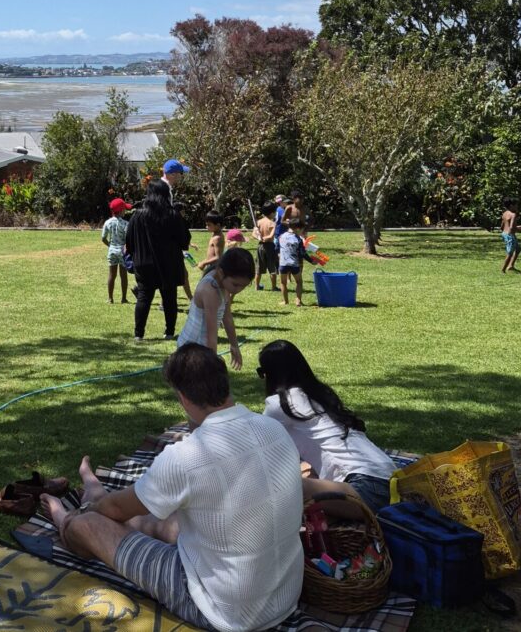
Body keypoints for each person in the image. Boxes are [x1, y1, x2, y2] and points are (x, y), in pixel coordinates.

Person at [42, 344, 303, 632]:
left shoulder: (187, 456)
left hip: (222, 610)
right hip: (284, 595)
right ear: (225, 383)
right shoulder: (274, 430)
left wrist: (94, 508)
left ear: (182, 397)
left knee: (89, 524)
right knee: (164, 518)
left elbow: (116, 509)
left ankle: (66, 519)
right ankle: (94, 493)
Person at [258, 340, 397, 513]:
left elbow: (255, 448)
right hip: (392, 480)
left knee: (281, 484)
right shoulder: (319, 393)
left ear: (270, 374)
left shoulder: (279, 404)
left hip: (365, 488)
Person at [125, 179, 190, 341]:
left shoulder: (137, 215)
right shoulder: (173, 214)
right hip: (169, 262)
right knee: (169, 297)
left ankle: (139, 334)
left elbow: (129, 241)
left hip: (143, 263)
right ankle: (169, 332)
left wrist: (136, 255)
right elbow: (184, 240)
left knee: (144, 297)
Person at [176, 248, 253, 370]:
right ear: (221, 273)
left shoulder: (222, 281)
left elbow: (227, 317)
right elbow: (211, 332)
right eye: (236, 284)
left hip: (202, 347)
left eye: (244, 286)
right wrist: (212, 362)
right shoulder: (210, 290)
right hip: (191, 349)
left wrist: (234, 345)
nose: (238, 290)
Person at [101, 197, 132, 304]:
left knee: (111, 275)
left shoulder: (108, 222)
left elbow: (103, 238)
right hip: (122, 251)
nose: (125, 211)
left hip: (112, 251)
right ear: (121, 210)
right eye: (124, 209)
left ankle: (110, 298)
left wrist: (110, 246)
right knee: (123, 276)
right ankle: (123, 298)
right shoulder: (125, 223)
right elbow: (128, 239)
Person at [278, 218, 307, 306]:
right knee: (299, 282)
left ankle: (285, 301)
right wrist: (311, 261)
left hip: (283, 264)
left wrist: (279, 255)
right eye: (302, 230)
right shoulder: (298, 239)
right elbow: (302, 253)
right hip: (294, 264)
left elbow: (276, 248)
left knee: (283, 283)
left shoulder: (281, 236)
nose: (302, 232)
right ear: (297, 229)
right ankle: (298, 301)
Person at [254, 201, 280, 292]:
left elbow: (254, 234)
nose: (275, 214)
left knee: (259, 268)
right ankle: (274, 287)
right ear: (272, 213)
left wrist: (259, 237)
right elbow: (271, 236)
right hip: (270, 247)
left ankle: (257, 286)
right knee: (272, 268)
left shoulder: (259, 222)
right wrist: (263, 238)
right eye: (275, 212)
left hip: (260, 246)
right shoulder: (272, 223)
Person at [501, 197, 519, 273]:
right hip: (510, 235)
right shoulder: (513, 214)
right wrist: (519, 229)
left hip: (505, 234)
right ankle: (503, 270)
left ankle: (511, 266)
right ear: (511, 206)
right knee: (510, 253)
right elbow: (512, 227)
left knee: (518, 249)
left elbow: (502, 226)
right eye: (516, 205)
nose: (517, 207)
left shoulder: (505, 213)